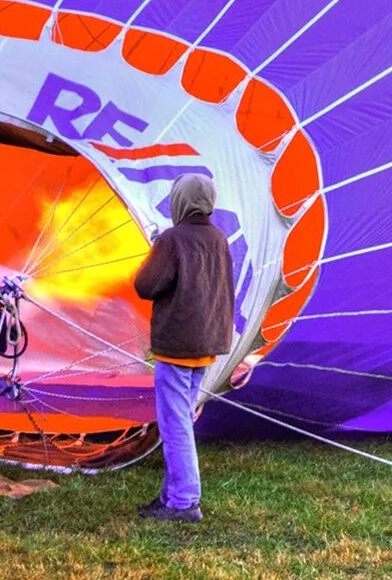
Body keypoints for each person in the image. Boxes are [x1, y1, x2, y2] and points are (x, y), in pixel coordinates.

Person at [131, 174, 234, 523]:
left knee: (175, 425)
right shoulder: (219, 238)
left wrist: (155, 250)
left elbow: (146, 285)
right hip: (206, 343)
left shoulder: (173, 240)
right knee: (182, 420)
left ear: (180, 200)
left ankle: (184, 502)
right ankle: (171, 495)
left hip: (178, 343)